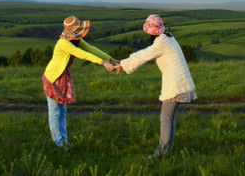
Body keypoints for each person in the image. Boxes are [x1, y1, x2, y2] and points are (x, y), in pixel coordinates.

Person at [114, 14, 196, 159]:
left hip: (176, 86)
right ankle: (166, 151)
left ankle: (163, 154)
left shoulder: (161, 42)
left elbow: (143, 55)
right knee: (169, 118)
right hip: (181, 84)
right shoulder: (169, 37)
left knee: (165, 118)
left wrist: (123, 63)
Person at [42, 16, 118, 150]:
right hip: (53, 78)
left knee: (62, 111)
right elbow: (82, 54)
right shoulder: (63, 43)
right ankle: (58, 144)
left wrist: (111, 59)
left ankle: (64, 142)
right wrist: (103, 63)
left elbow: (91, 49)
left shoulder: (75, 39)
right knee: (55, 112)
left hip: (62, 77)